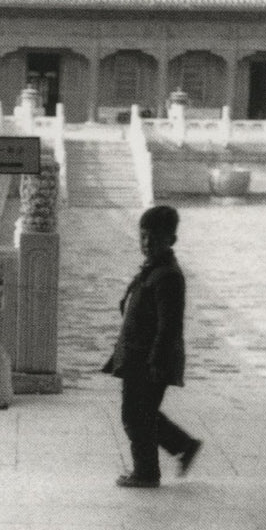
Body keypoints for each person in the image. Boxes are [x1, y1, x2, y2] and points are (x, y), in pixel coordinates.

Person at [103, 204, 202, 488]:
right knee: (141, 413)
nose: (147, 244)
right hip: (137, 356)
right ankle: (183, 446)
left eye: (154, 238)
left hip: (149, 360)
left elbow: (169, 326)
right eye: (143, 236)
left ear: (171, 240)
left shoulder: (168, 275)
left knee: (135, 416)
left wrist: (156, 362)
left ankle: (146, 472)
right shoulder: (154, 270)